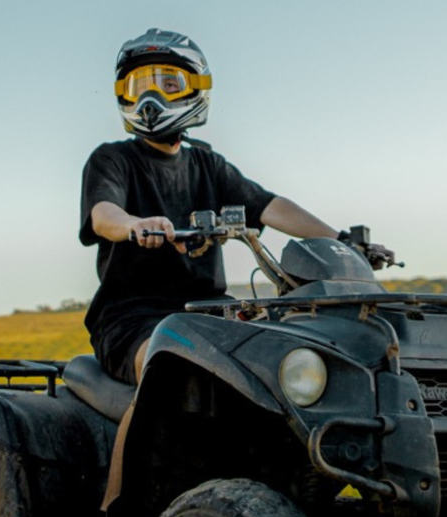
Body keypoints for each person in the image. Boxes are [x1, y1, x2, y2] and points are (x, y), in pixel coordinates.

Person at [79, 28, 392, 385]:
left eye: (168, 84)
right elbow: (104, 215)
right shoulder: (113, 159)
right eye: (140, 86)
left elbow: (270, 206)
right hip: (133, 318)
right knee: (169, 375)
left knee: (287, 363)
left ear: (195, 88)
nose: (151, 96)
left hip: (211, 310)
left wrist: (343, 241)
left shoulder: (208, 165)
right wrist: (134, 225)